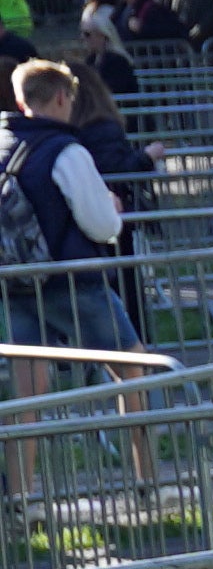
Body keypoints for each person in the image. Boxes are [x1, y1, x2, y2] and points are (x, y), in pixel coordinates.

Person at [2, 57, 147, 373]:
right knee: (131, 359)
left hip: (14, 277)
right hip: (71, 277)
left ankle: (29, 424)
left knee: (29, 368)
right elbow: (101, 225)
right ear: (60, 97)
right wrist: (113, 212)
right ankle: (139, 424)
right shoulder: (67, 150)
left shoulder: (3, 146)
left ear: (20, 99)